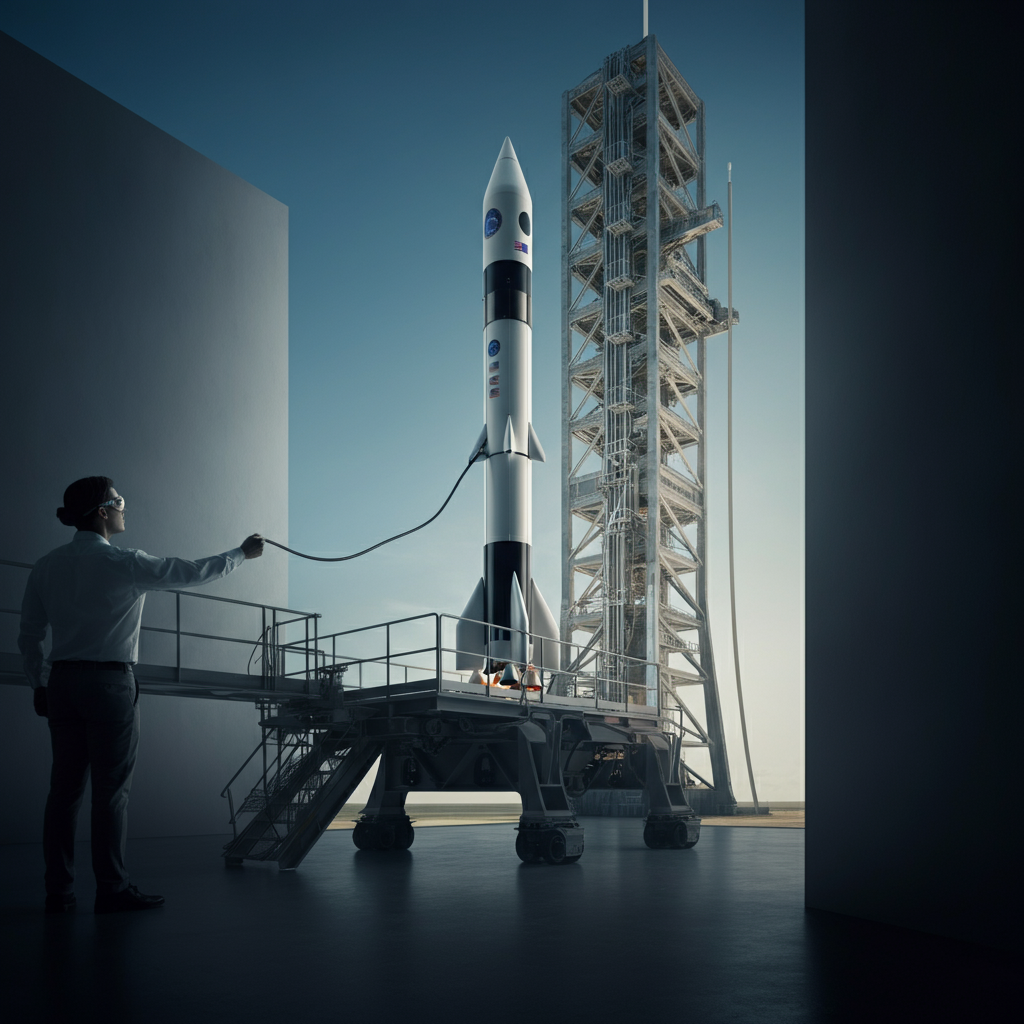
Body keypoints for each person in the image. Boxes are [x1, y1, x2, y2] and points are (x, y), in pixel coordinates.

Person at [19, 476, 265, 915]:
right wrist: (241, 554)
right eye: (120, 502)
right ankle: (111, 890)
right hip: (110, 683)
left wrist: (38, 683)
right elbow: (192, 572)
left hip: (61, 683)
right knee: (110, 794)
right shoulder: (125, 562)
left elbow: (30, 635)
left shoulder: (45, 566)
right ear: (102, 511)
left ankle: (58, 891)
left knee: (63, 792)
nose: (124, 509)